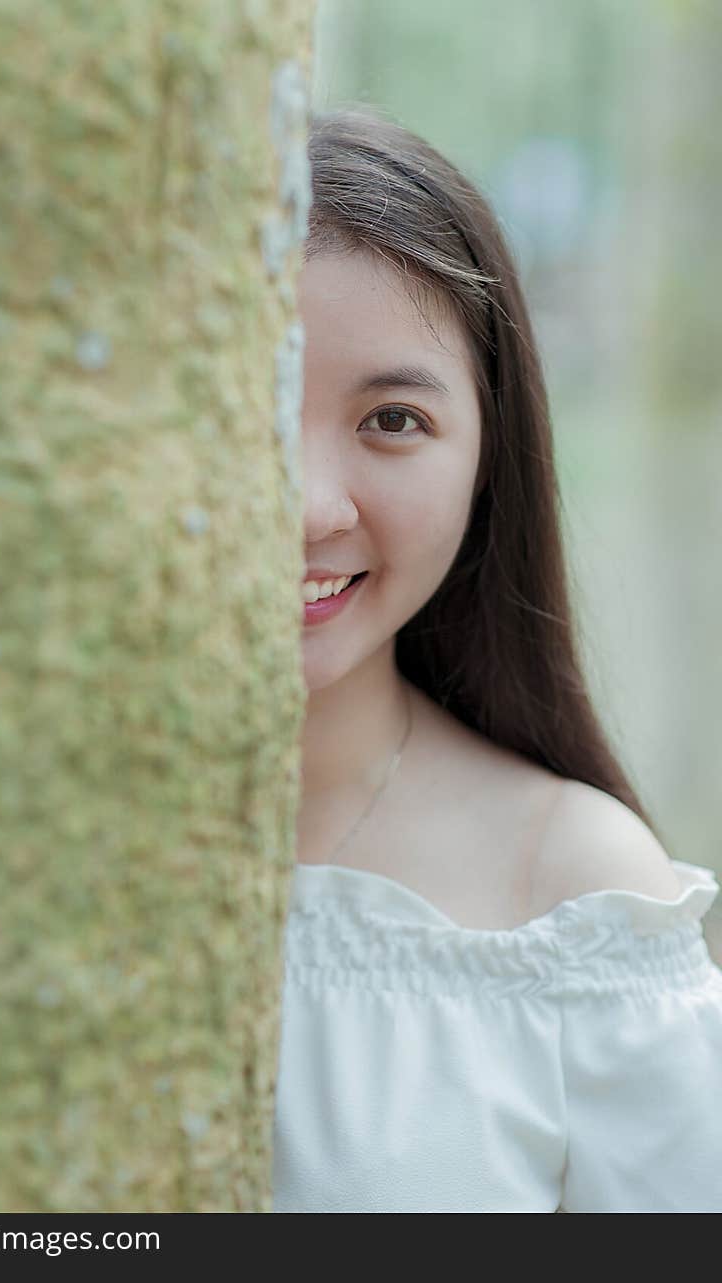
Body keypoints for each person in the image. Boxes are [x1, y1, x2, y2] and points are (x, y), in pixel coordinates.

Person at [271, 105, 722, 1213]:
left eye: (391, 419)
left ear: (487, 460)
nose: (305, 505)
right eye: (250, 406)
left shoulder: (570, 889)